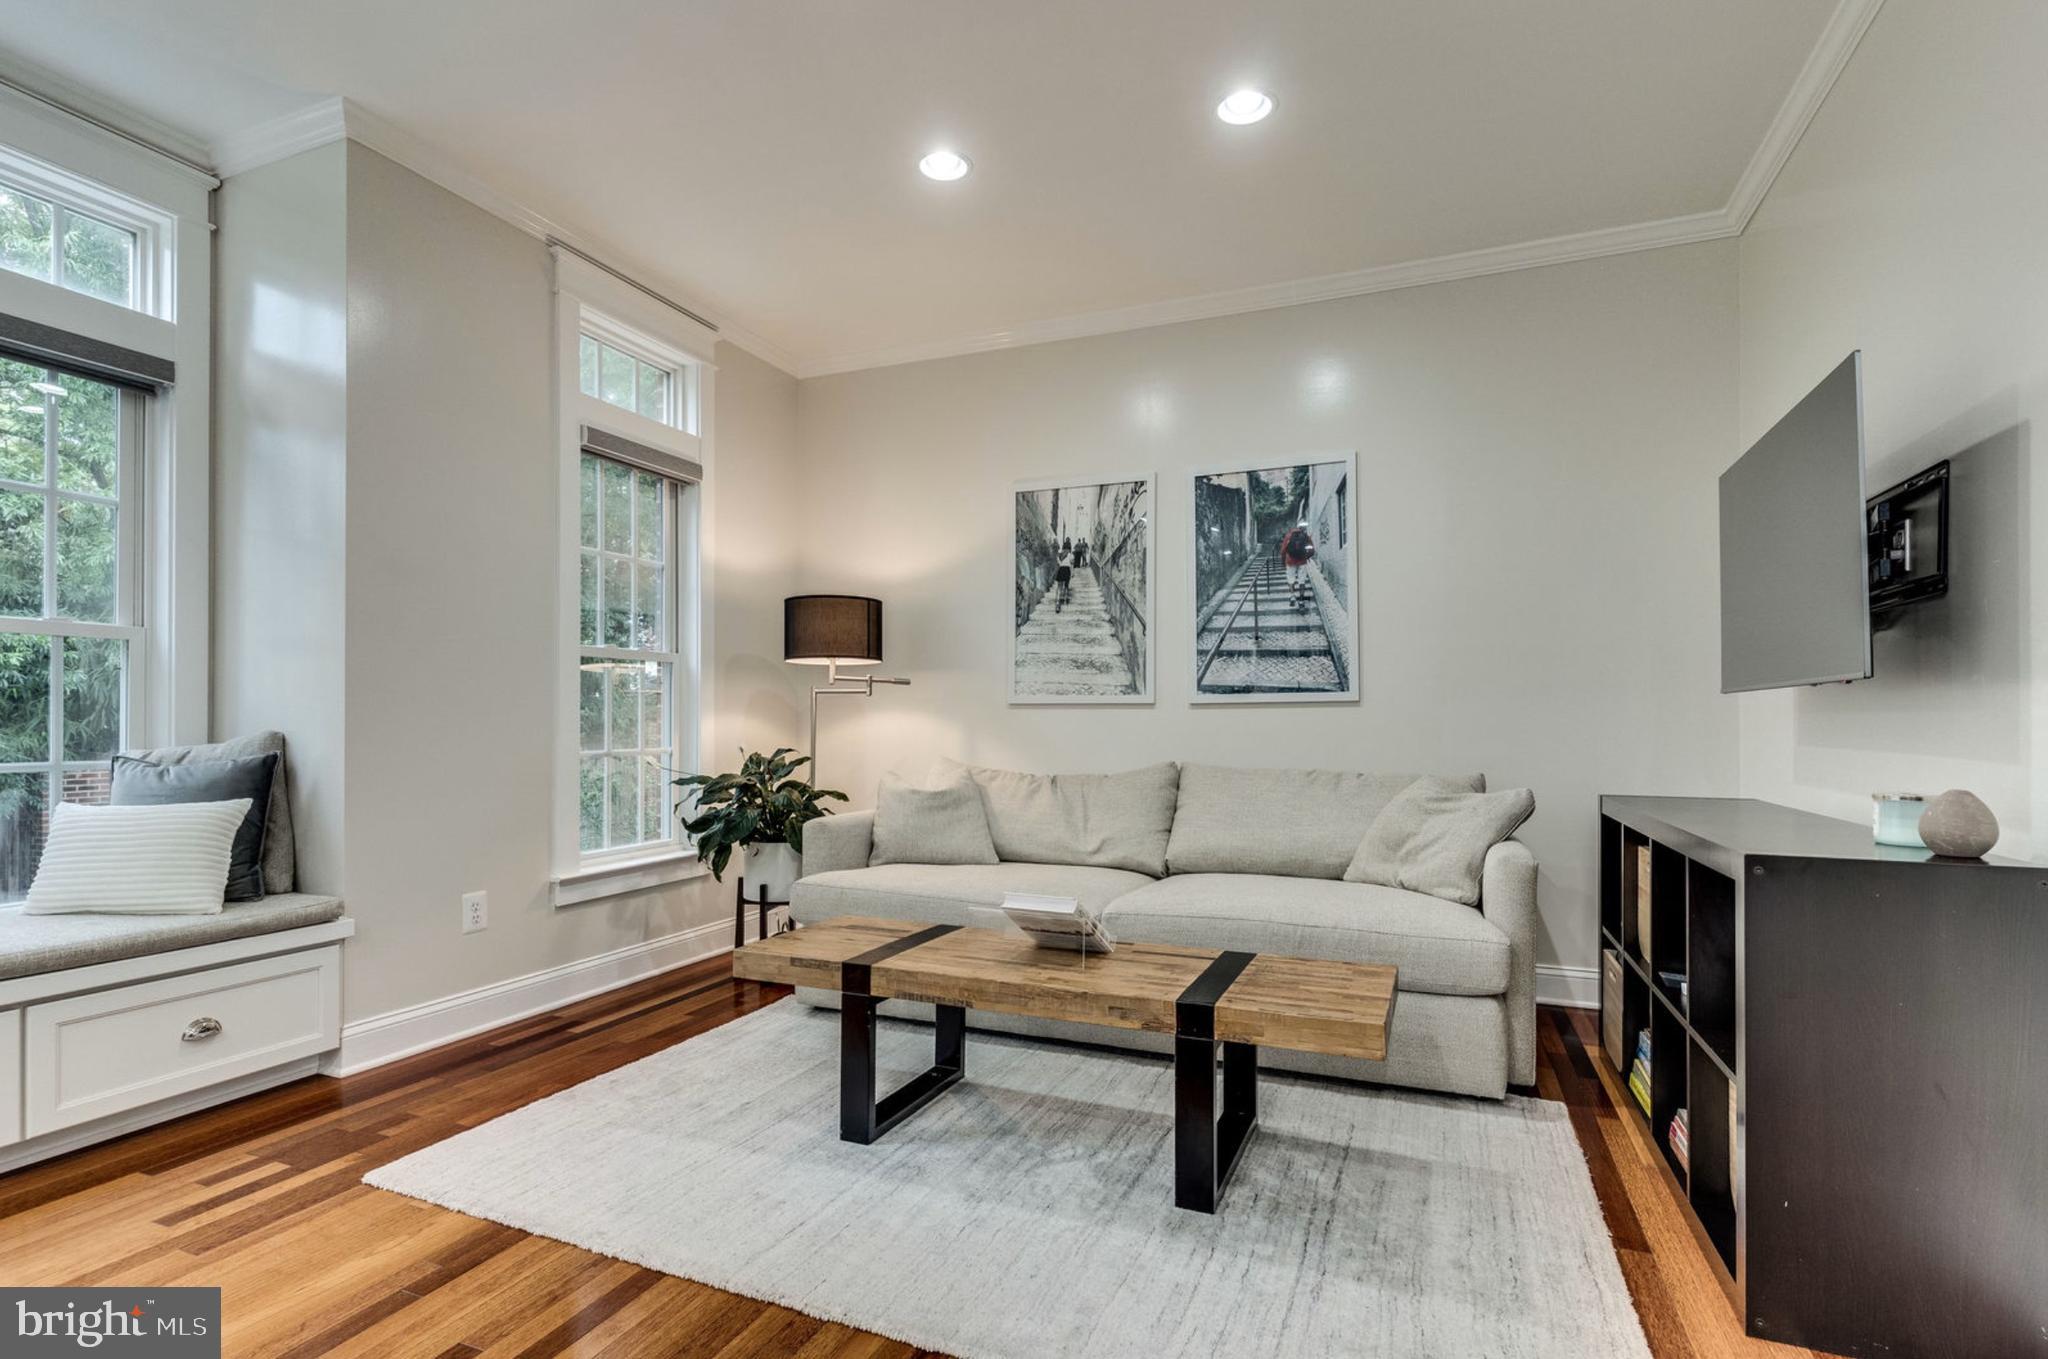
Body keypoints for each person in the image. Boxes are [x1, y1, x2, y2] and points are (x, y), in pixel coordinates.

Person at [1279, 520, 1316, 607]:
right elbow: (1312, 550)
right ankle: (1301, 599)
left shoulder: (1288, 536)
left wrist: (1283, 562)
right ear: (1302, 528)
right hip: (1302, 561)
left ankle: (1292, 596)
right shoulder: (1306, 536)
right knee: (1302, 580)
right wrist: (1307, 556)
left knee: (1291, 579)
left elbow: (1283, 551)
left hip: (1290, 561)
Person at [1053, 546, 1074, 612]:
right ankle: (1065, 599)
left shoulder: (1059, 555)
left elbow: (1058, 564)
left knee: (1059, 587)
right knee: (1066, 586)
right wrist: (1072, 573)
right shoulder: (1070, 555)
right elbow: (1072, 564)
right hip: (1067, 570)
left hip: (1061, 570)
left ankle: (1058, 602)